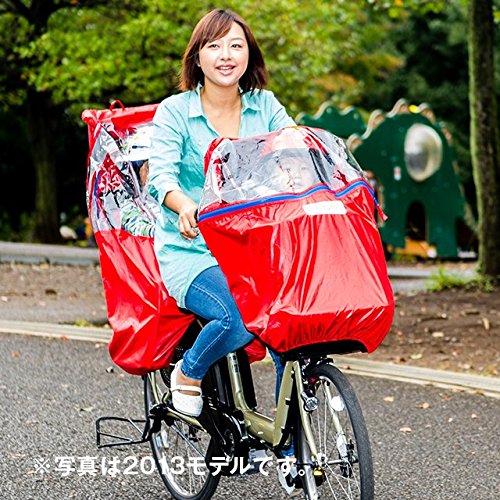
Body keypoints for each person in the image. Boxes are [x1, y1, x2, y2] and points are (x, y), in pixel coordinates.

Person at [147, 9, 295, 419]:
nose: (226, 55)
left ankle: (291, 440)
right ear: (197, 57)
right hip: (193, 250)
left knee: (293, 326)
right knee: (238, 316)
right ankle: (188, 371)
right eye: (214, 46)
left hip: (255, 246)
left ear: (249, 54)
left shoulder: (266, 106)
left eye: (236, 45)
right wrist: (184, 205)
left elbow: (295, 148)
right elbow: (160, 176)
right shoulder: (175, 111)